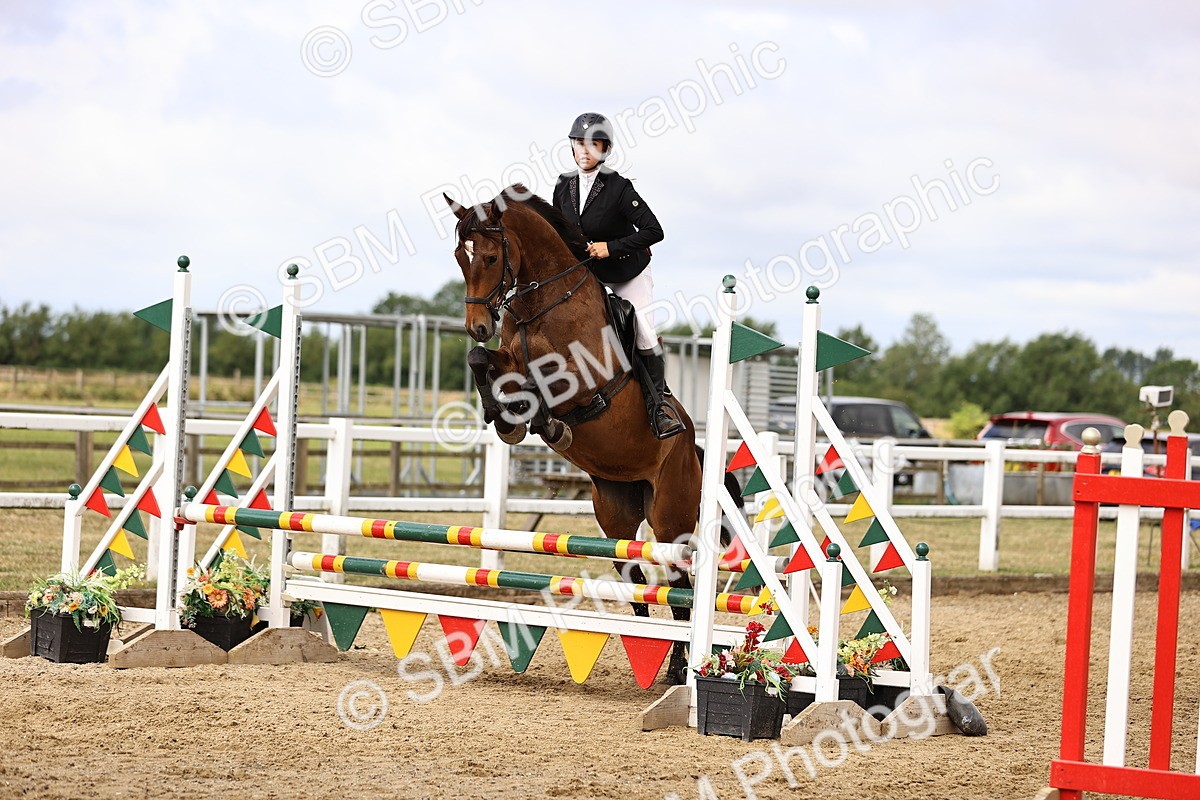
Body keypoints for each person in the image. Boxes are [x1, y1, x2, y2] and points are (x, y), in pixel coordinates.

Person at [552, 112, 685, 440]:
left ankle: (659, 407)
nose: (585, 150)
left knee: (642, 328)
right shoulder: (562, 186)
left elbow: (655, 231)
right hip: (589, 275)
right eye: (579, 144)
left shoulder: (619, 188)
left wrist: (611, 247)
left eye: (593, 144)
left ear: (605, 149)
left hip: (628, 271)